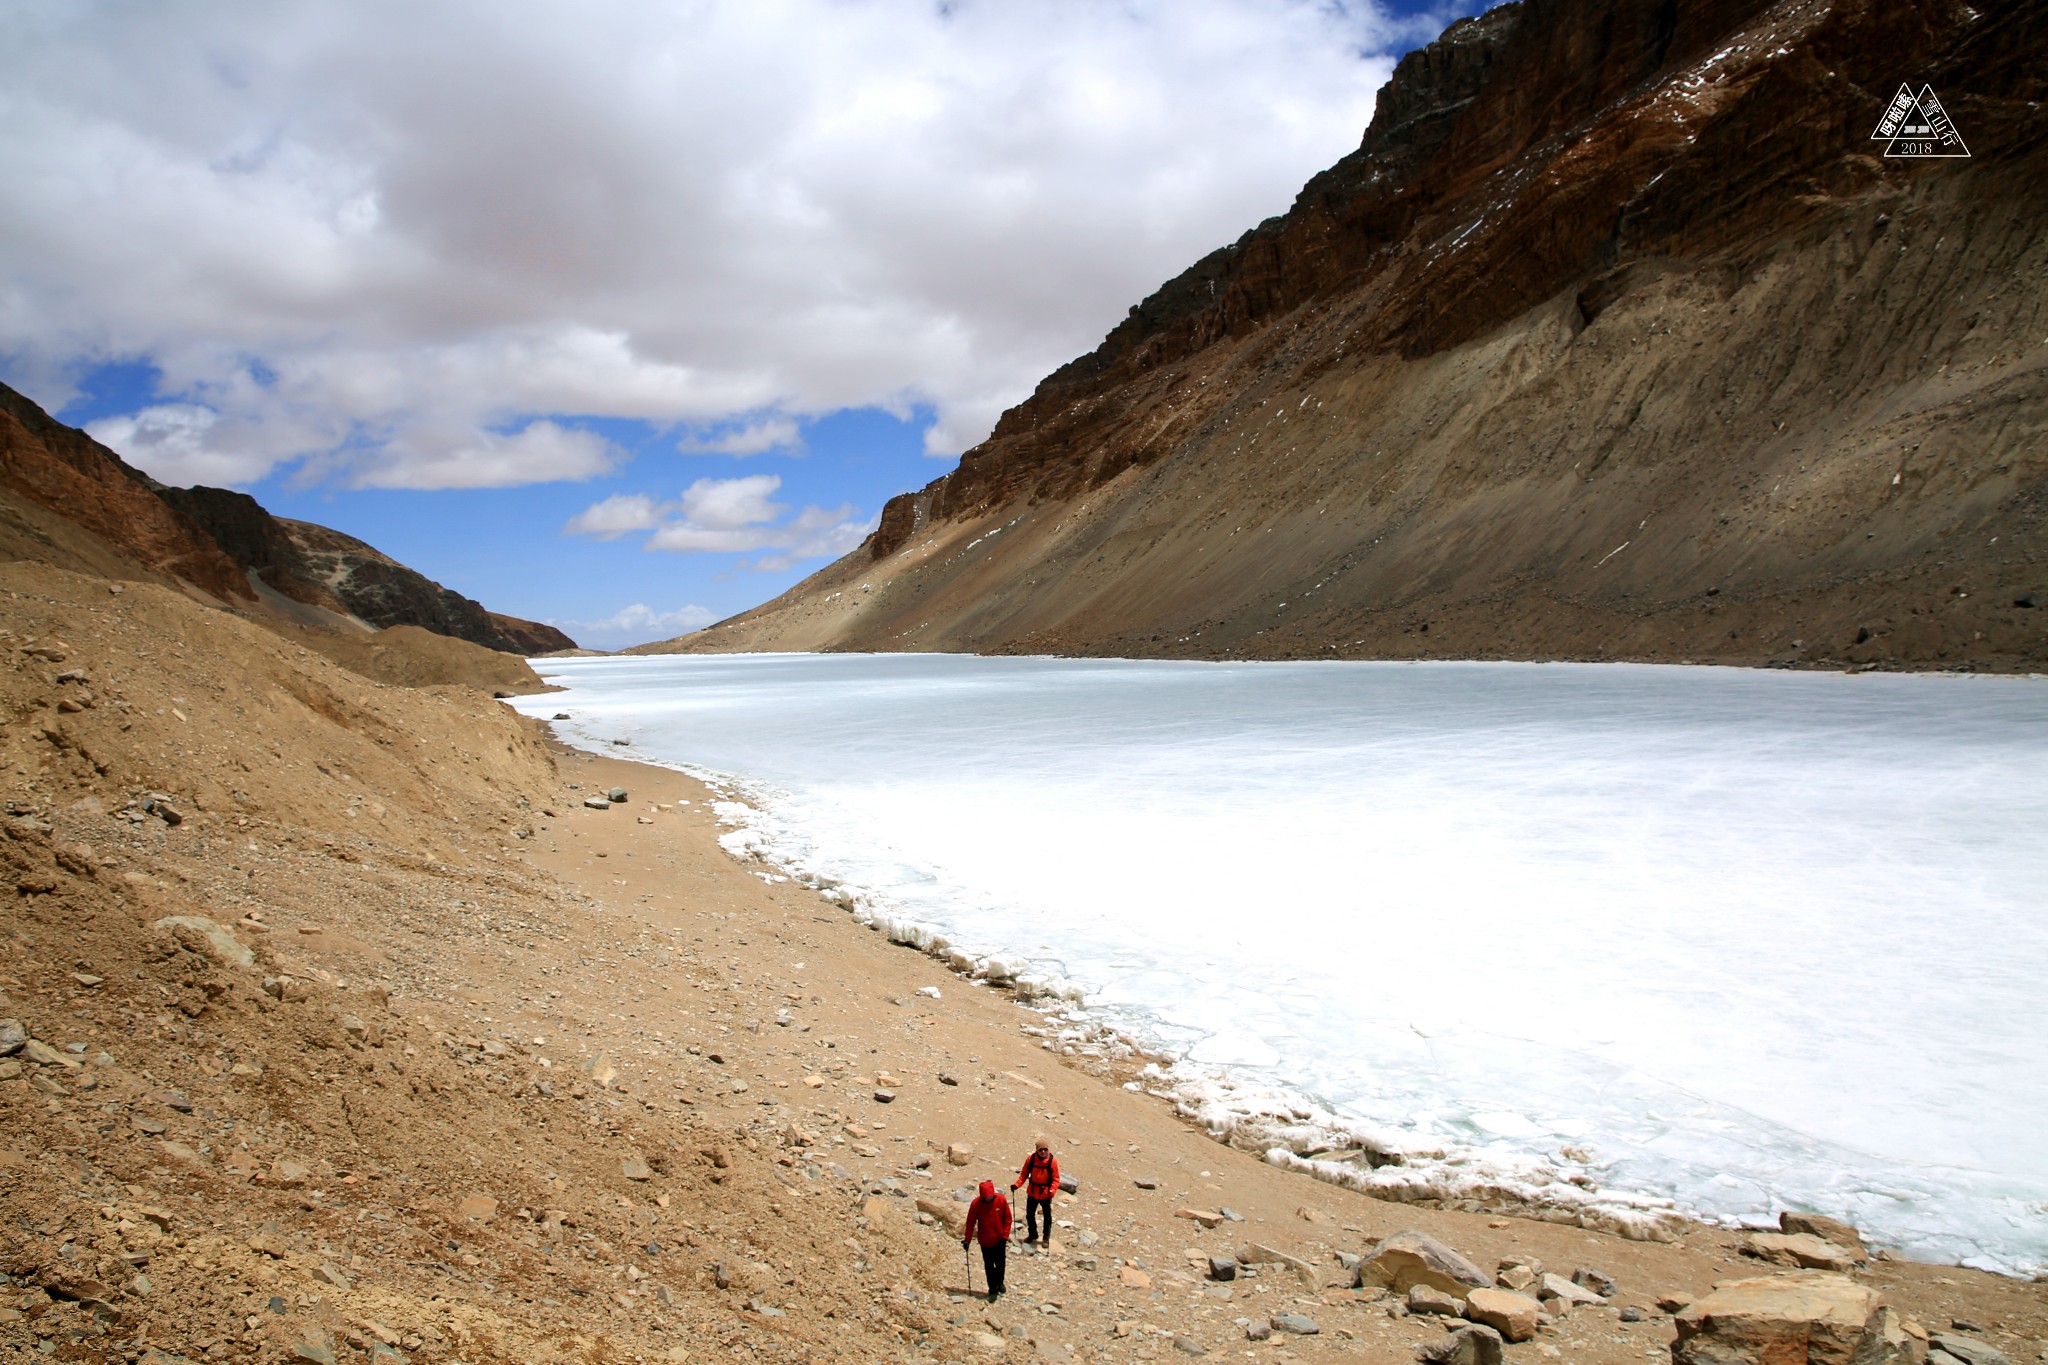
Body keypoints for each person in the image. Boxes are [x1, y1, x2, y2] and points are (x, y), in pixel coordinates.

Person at [963, 1179, 1012, 1300]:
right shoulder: (976, 1204)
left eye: (990, 1197)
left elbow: (1008, 1218)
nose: (988, 1199)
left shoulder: (1001, 1200)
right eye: (986, 1198)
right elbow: (970, 1222)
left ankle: (999, 1282)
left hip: (999, 1238)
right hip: (985, 1240)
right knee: (989, 1266)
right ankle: (992, 1289)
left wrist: (1004, 1236)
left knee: (1000, 1264)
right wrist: (967, 1240)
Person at [1012, 1138, 1060, 1247]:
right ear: (1036, 1150)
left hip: (1046, 1193)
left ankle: (1045, 1238)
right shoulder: (1031, 1159)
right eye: (1040, 1150)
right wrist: (1017, 1185)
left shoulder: (1052, 1161)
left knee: (1047, 1218)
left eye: (1045, 1150)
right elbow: (1024, 1174)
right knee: (1030, 1215)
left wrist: (1052, 1190)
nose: (1043, 1152)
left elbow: (1056, 1179)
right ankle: (1033, 1234)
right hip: (1033, 1192)